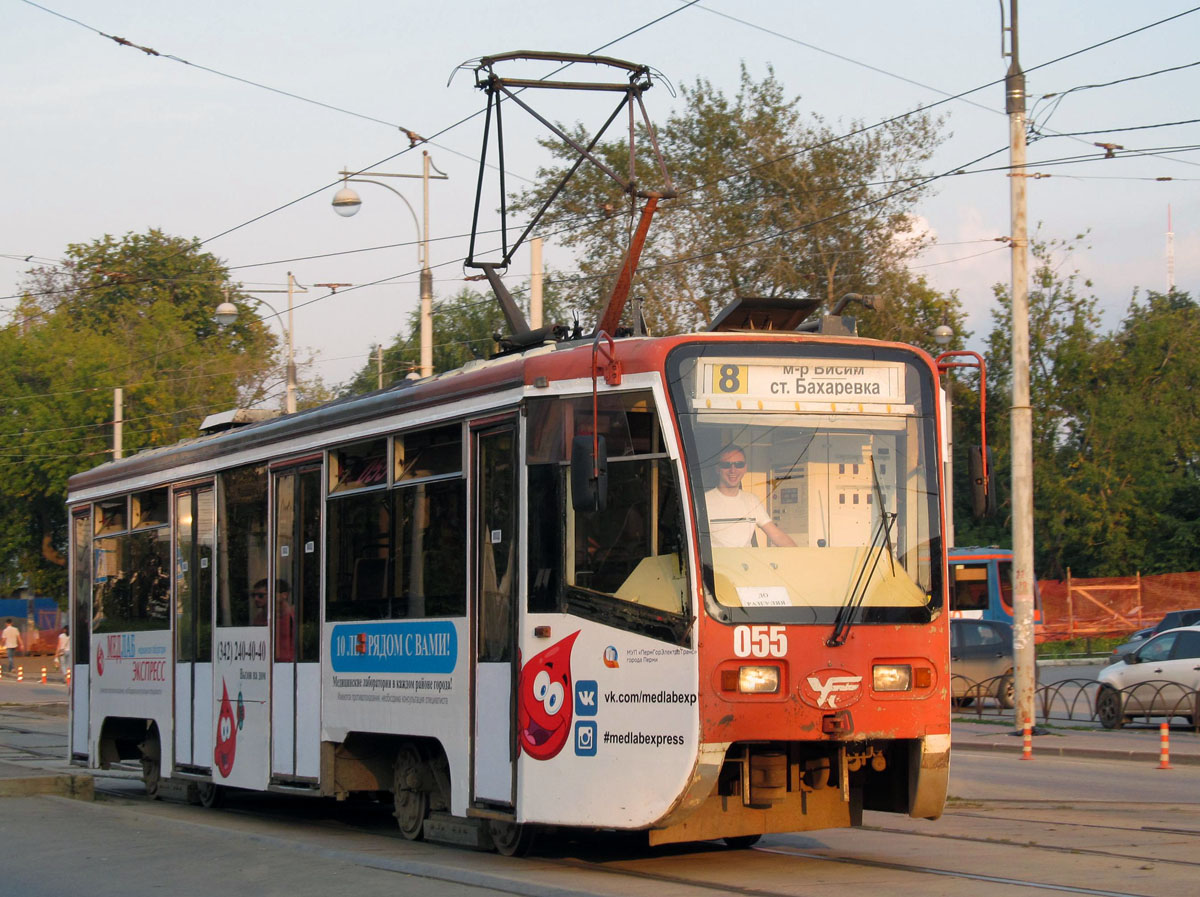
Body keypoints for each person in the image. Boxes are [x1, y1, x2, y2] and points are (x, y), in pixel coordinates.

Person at [705, 445, 795, 548]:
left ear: (745, 468)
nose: (733, 470)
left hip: (746, 558)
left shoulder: (751, 500)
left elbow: (778, 536)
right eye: (726, 465)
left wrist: (800, 555)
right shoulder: (705, 501)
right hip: (717, 559)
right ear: (718, 469)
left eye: (739, 465)